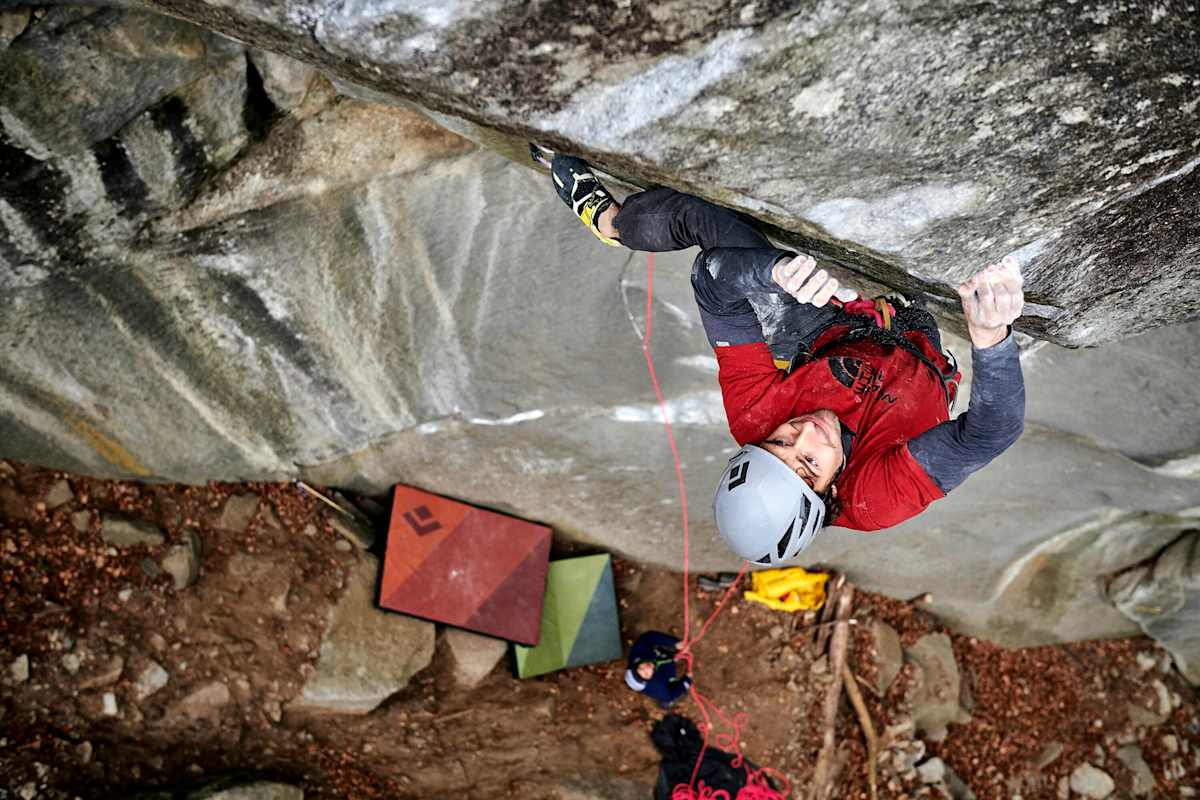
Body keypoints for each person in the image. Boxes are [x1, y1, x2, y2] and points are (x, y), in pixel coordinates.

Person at [536, 148, 1026, 564]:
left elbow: (712, 285)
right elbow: (988, 434)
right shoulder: (876, 498)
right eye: (810, 463)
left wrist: (772, 273)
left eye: (780, 442)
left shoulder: (754, 415)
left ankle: (612, 222)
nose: (806, 432)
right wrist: (991, 337)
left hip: (828, 337)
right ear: (832, 492)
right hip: (917, 355)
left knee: (703, 218)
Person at [625, 631, 692, 707]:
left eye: (641, 667)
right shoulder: (657, 687)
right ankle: (665, 704)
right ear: (648, 680)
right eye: (646, 674)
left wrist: (674, 643)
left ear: (636, 664)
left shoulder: (637, 653)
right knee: (670, 693)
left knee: (664, 651)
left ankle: (668, 656)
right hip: (664, 677)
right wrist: (687, 680)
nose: (647, 668)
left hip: (657, 658)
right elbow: (669, 695)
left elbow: (648, 637)